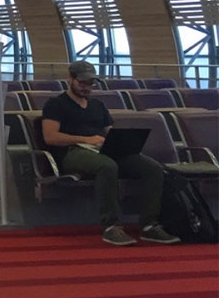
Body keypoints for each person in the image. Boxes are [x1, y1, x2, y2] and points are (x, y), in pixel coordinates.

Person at [41, 61, 179, 247]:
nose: (87, 88)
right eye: (82, 83)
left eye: (91, 84)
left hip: (100, 149)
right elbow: (51, 137)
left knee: (152, 168)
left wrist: (119, 143)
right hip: (71, 152)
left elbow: (109, 131)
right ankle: (111, 225)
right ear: (70, 80)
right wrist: (84, 139)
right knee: (106, 166)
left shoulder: (98, 105)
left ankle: (149, 224)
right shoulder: (55, 104)